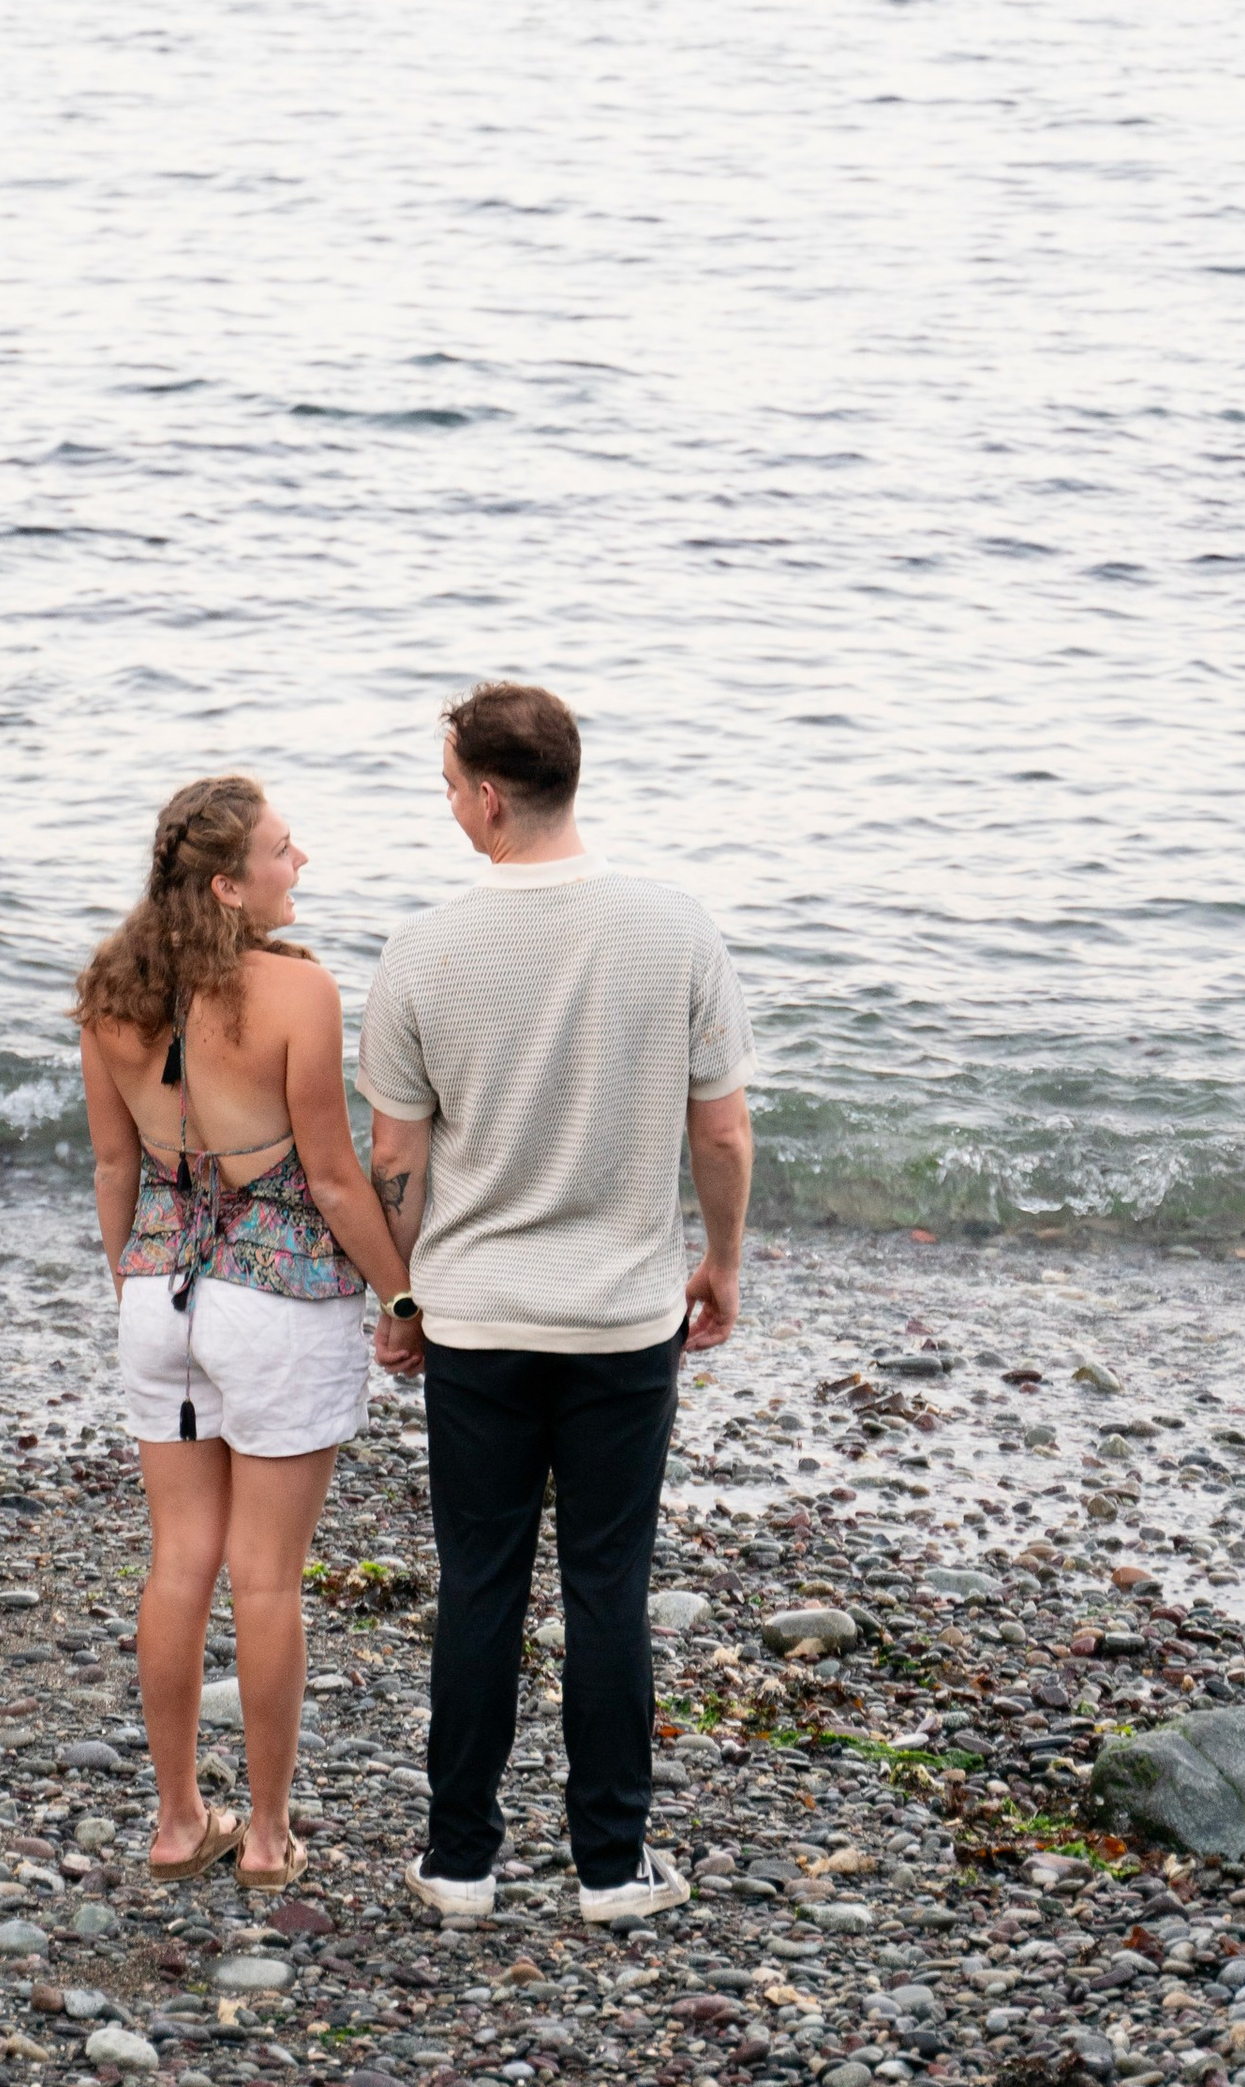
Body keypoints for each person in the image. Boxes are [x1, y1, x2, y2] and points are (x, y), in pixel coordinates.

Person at [358, 681, 753, 1926]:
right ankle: (611, 1866)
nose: (448, 807)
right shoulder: (674, 929)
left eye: (447, 788)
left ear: (488, 798)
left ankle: (460, 1861)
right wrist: (721, 1261)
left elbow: (395, 1160)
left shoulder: (422, 950)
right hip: (621, 1319)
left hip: (476, 1319)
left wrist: (400, 1298)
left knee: (479, 1581)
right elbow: (722, 1133)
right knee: (606, 1586)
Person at [79, 775, 418, 1893]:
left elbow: (116, 1167)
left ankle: (179, 1822)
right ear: (228, 886)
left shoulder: (111, 988)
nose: (299, 861)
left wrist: (130, 1282)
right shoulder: (296, 991)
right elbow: (332, 1175)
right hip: (275, 1304)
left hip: (158, 1297)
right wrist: (403, 1298)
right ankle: (267, 1839)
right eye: (281, 849)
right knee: (266, 1579)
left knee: (180, 1560)